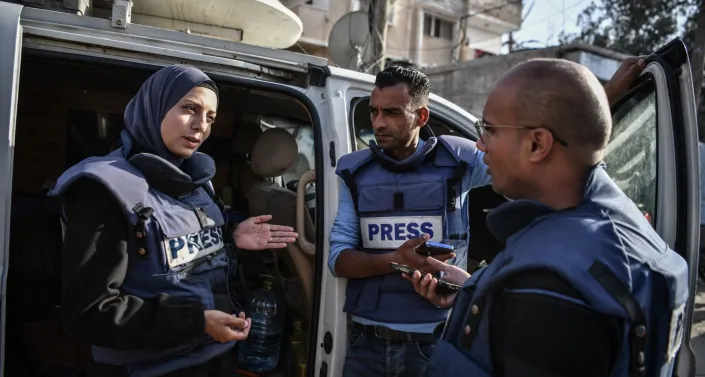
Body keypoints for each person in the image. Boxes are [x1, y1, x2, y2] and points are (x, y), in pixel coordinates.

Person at [405, 57, 689, 377]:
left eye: (489, 129)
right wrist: (476, 291)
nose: (480, 145)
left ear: (538, 144)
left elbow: (548, 313)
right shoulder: (616, 223)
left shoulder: (546, 287)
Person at [48, 65, 298, 377]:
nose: (200, 126)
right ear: (156, 106)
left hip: (213, 358)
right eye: (189, 108)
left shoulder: (196, 181)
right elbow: (89, 314)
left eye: (210, 117)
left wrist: (230, 237)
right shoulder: (105, 189)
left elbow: (178, 252)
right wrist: (198, 323)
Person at [328, 65, 491, 377]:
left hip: (436, 341)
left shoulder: (460, 161)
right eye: (374, 112)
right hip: (367, 343)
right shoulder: (355, 173)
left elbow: (529, 176)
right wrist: (396, 260)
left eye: (392, 112)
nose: (378, 122)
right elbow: (338, 260)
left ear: (421, 116)